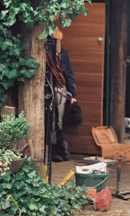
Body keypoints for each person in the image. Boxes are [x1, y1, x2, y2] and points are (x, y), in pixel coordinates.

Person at [48, 26, 77, 162]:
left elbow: (68, 74)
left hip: (60, 89)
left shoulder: (63, 54)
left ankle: (57, 150)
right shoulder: (48, 52)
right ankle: (58, 148)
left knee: (56, 120)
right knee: (52, 120)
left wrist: (73, 94)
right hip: (50, 89)